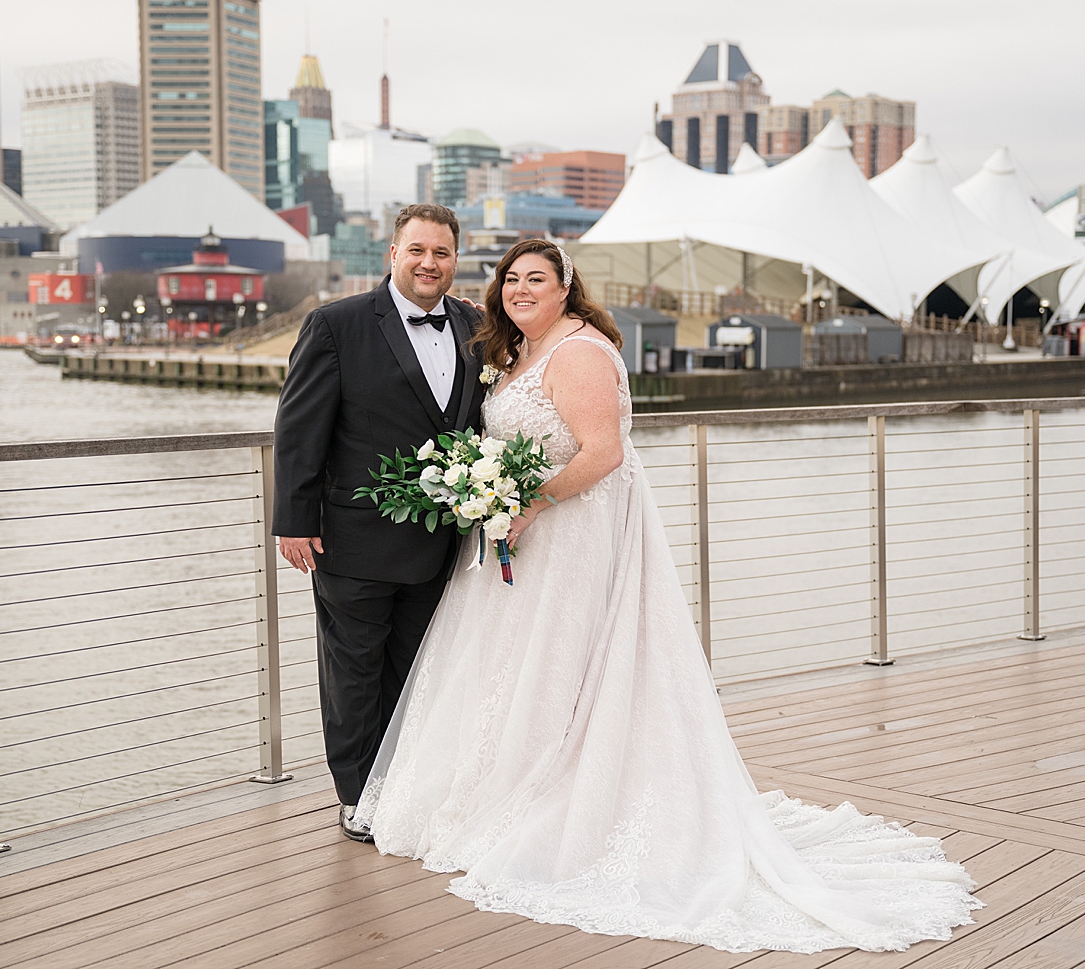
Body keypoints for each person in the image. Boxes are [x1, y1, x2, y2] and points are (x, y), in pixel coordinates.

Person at [352, 239, 983, 953]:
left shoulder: (580, 351)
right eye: (510, 280)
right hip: (525, 537)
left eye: (536, 279)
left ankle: (570, 799)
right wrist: (490, 490)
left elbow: (603, 452)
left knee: (568, 664)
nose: (519, 290)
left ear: (566, 288)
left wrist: (528, 504)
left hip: (570, 533)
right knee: (524, 667)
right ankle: (509, 788)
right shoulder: (522, 353)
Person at [272, 204, 484, 843]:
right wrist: (292, 520)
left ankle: (404, 785)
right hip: (351, 537)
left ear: (454, 260)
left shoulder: (475, 325)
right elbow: (300, 427)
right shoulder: (336, 325)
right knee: (353, 671)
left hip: (441, 538)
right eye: (417, 250)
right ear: (392, 254)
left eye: (441, 253)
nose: (428, 263)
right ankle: (358, 796)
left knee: (416, 670)